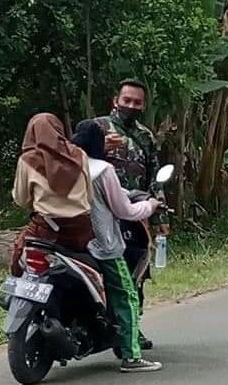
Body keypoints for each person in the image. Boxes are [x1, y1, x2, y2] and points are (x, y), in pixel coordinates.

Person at [71, 119, 164, 373]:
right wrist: (150, 206)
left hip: (72, 244)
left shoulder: (67, 166)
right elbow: (124, 210)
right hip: (103, 245)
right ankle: (131, 356)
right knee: (127, 295)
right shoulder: (103, 169)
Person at [94, 79, 170, 349]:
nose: (131, 106)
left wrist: (160, 217)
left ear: (143, 105)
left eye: (137, 102)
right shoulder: (98, 128)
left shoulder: (145, 136)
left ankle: (132, 330)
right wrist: (100, 147)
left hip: (137, 213)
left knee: (136, 274)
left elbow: (155, 178)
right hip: (102, 214)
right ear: (116, 101)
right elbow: (76, 160)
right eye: (127, 100)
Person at [10, 113, 94, 277]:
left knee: (18, 252)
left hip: (47, 229)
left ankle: (16, 284)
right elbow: (89, 196)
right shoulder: (80, 155)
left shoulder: (27, 160)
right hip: (80, 230)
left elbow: (21, 199)